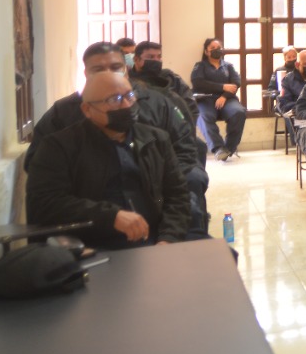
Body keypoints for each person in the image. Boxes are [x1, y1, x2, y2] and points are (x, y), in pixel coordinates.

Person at [27, 72, 190, 248]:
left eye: (130, 96)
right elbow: (45, 204)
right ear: (87, 109)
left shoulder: (157, 140)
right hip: (87, 246)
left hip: (153, 243)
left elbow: (178, 196)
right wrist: (111, 217)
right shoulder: (58, 147)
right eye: (114, 100)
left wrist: (168, 238)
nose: (126, 105)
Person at [190, 37, 245, 161]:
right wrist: (222, 86)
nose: (216, 50)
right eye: (213, 48)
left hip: (227, 99)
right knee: (203, 116)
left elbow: (236, 83)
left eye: (219, 48)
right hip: (206, 99)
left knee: (239, 112)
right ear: (206, 52)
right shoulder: (200, 66)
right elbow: (197, 83)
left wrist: (224, 96)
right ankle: (218, 148)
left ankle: (228, 149)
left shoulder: (228, 66)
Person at [278, 49, 306, 115]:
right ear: (297, 65)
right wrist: (304, 106)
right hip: (298, 116)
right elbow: (284, 105)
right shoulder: (288, 80)